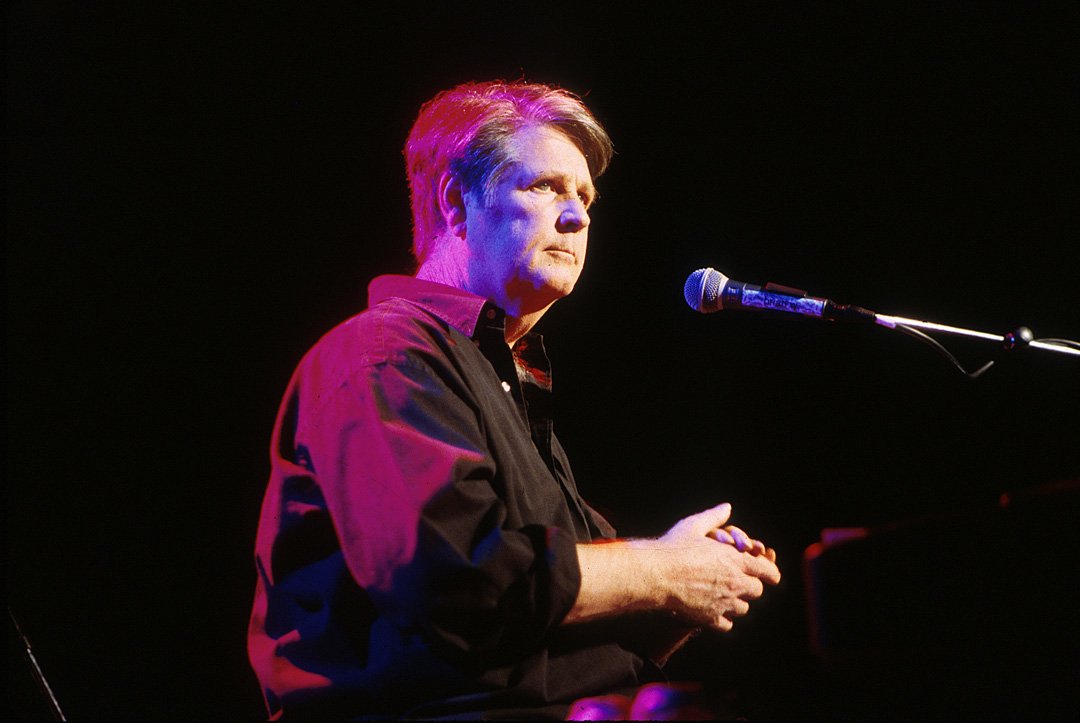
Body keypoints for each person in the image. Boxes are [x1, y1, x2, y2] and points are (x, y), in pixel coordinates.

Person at [247, 80, 781, 720]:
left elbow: (543, 628)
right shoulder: (385, 356)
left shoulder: (499, 377)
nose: (578, 217)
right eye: (546, 187)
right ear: (455, 202)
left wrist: (694, 586)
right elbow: (459, 581)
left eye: (585, 197)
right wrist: (665, 570)